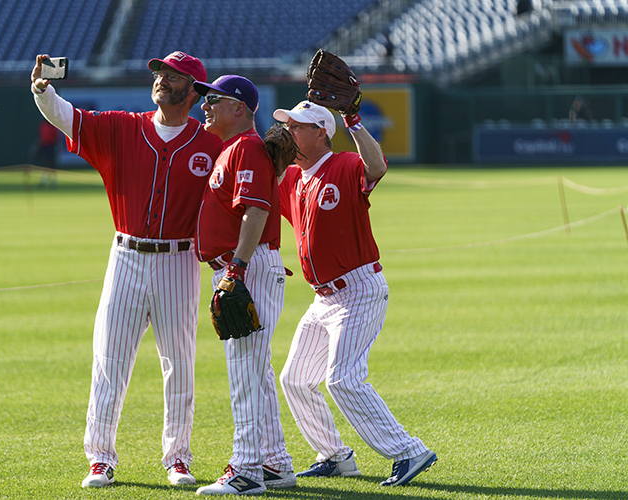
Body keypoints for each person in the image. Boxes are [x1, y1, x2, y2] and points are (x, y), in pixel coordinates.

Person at [30, 51, 223, 488]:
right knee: (109, 360)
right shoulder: (122, 127)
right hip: (126, 256)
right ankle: (100, 457)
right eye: (160, 72)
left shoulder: (212, 146)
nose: (162, 80)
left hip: (180, 259)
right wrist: (42, 88)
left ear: (192, 91)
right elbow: (68, 118)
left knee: (180, 363)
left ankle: (178, 458)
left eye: (173, 76)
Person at [274, 101, 438, 487]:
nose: (290, 132)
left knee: (342, 379)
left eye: (297, 127)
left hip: (358, 289)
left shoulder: (343, 165)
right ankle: (334, 456)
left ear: (321, 133)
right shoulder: (294, 179)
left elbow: (377, 167)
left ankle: (409, 450)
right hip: (323, 298)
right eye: (289, 125)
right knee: (295, 378)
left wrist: (355, 122)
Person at [191, 75, 295, 496]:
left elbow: (255, 212)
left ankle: (247, 471)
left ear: (240, 107)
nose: (205, 106)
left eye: (213, 99)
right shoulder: (232, 149)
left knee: (246, 374)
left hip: (247, 266)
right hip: (244, 266)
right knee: (257, 372)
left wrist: (236, 268)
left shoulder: (246, 147)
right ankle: (275, 464)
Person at [33, 118, 59, 187]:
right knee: (45, 164)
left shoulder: (53, 125)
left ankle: (53, 181)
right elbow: (41, 136)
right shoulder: (43, 125)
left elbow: (56, 137)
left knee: (51, 164)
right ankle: (43, 181)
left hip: (51, 146)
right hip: (44, 146)